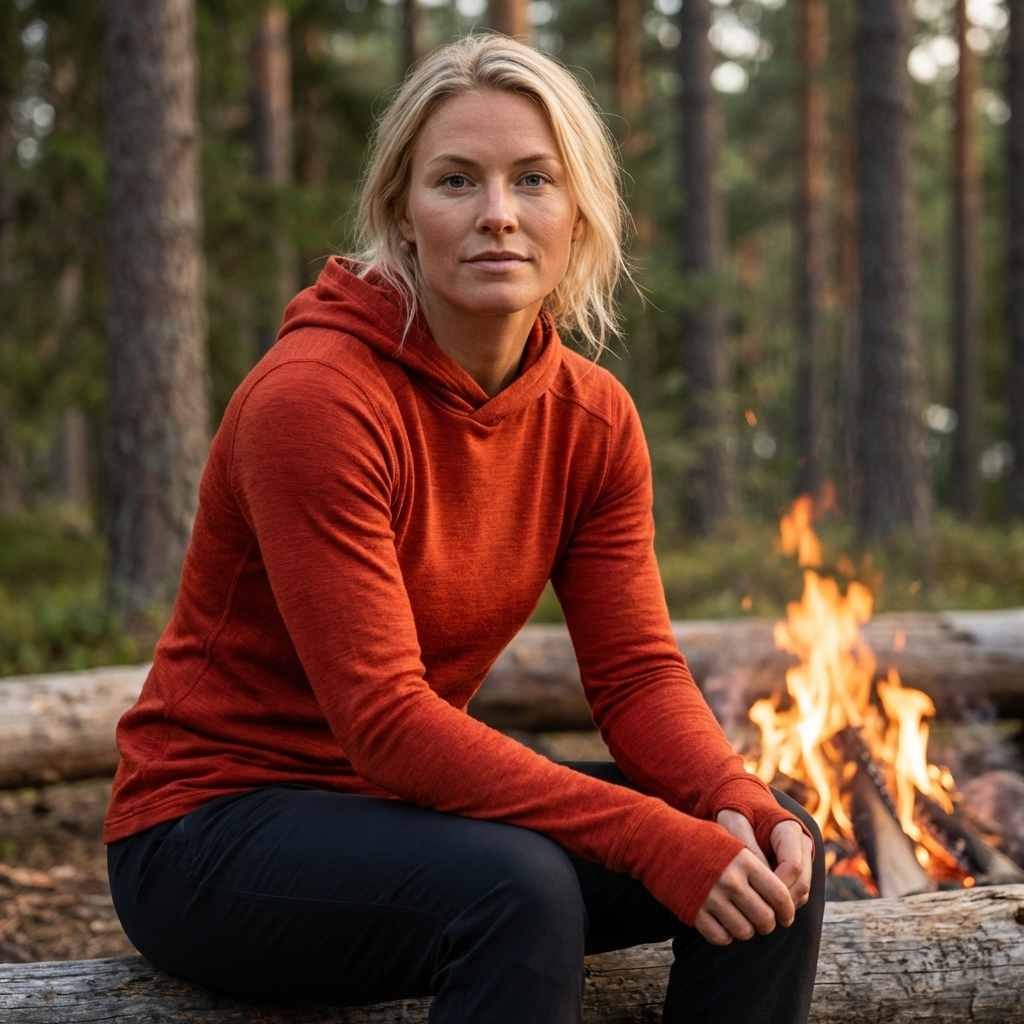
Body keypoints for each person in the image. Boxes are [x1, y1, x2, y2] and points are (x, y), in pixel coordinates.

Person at [105, 34, 824, 1024]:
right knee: (515, 887)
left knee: (768, 856)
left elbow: (634, 674)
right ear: (402, 212)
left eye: (533, 179)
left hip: (397, 814)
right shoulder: (316, 398)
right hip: (207, 833)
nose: (497, 214)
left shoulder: (592, 417)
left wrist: (729, 797)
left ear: (577, 214)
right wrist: (644, 836)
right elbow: (387, 720)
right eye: (456, 181)